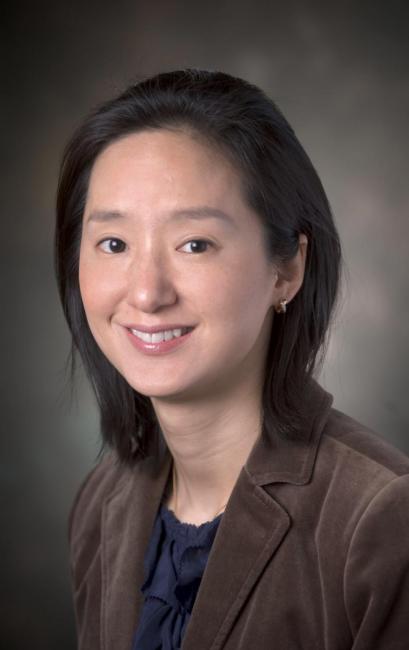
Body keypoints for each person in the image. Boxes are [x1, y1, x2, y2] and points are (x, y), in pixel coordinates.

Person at [55, 69, 409, 650]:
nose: (146, 293)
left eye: (194, 244)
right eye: (113, 244)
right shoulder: (101, 504)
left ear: (287, 268)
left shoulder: (379, 519)